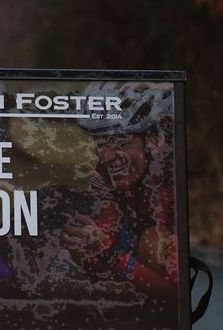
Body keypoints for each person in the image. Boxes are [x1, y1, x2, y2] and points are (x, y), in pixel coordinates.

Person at [61, 83, 178, 302]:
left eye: (119, 142)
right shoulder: (103, 176)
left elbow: (174, 296)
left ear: (153, 140)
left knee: (153, 241)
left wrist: (110, 253)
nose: (106, 157)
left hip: (164, 273)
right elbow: (99, 256)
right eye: (101, 143)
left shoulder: (170, 181)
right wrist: (85, 247)